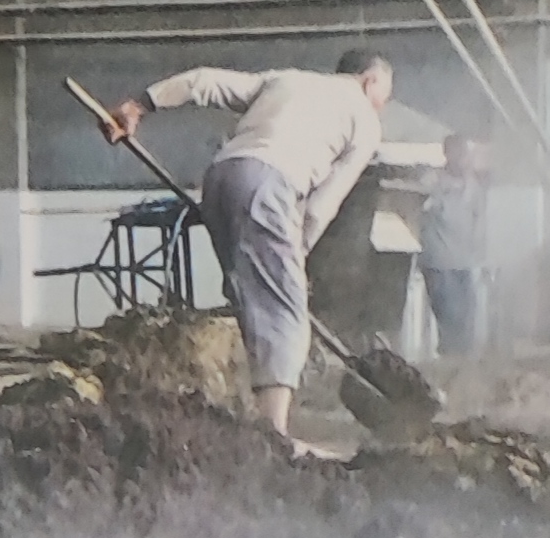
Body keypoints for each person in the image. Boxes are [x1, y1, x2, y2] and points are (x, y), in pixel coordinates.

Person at [102, 48, 392, 448]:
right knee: (285, 311)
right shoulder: (365, 120)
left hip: (221, 178)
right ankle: (275, 435)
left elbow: (202, 80)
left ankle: (255, 414)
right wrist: (299, 252)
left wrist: (139, 106)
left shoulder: (288, 78)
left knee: (252, 301)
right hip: (269, 186)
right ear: (370, 81)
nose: (383, 105)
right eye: (385, 95)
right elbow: (324, 204)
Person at [418, 132, 498, 364]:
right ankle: (449, 368)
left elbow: (480, 222)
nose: (464, 159)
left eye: (466, 154)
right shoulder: (431, 182)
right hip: (438, 263)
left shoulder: (474, 187)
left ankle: (464, 370)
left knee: (467, 322)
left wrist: (483, 257)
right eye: (459, 153)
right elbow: (417, 212)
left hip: (465, 263)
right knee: (449, 319)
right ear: (447, 153)